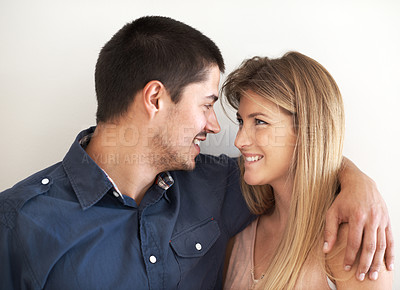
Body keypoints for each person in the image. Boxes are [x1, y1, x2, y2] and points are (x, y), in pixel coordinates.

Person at [0, 16, 393, 289]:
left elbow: (294, 160)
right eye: (207, 105)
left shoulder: (217, 183)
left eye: (252, 121)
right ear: (155, 98)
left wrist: (358, 182)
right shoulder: (17, 222)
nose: (219, 129)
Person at [222, 52, 393, 289]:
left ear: (306, 131)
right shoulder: (240, 234)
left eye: (259, 122)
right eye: (241, 121)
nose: (239, 141)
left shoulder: (351, 241)